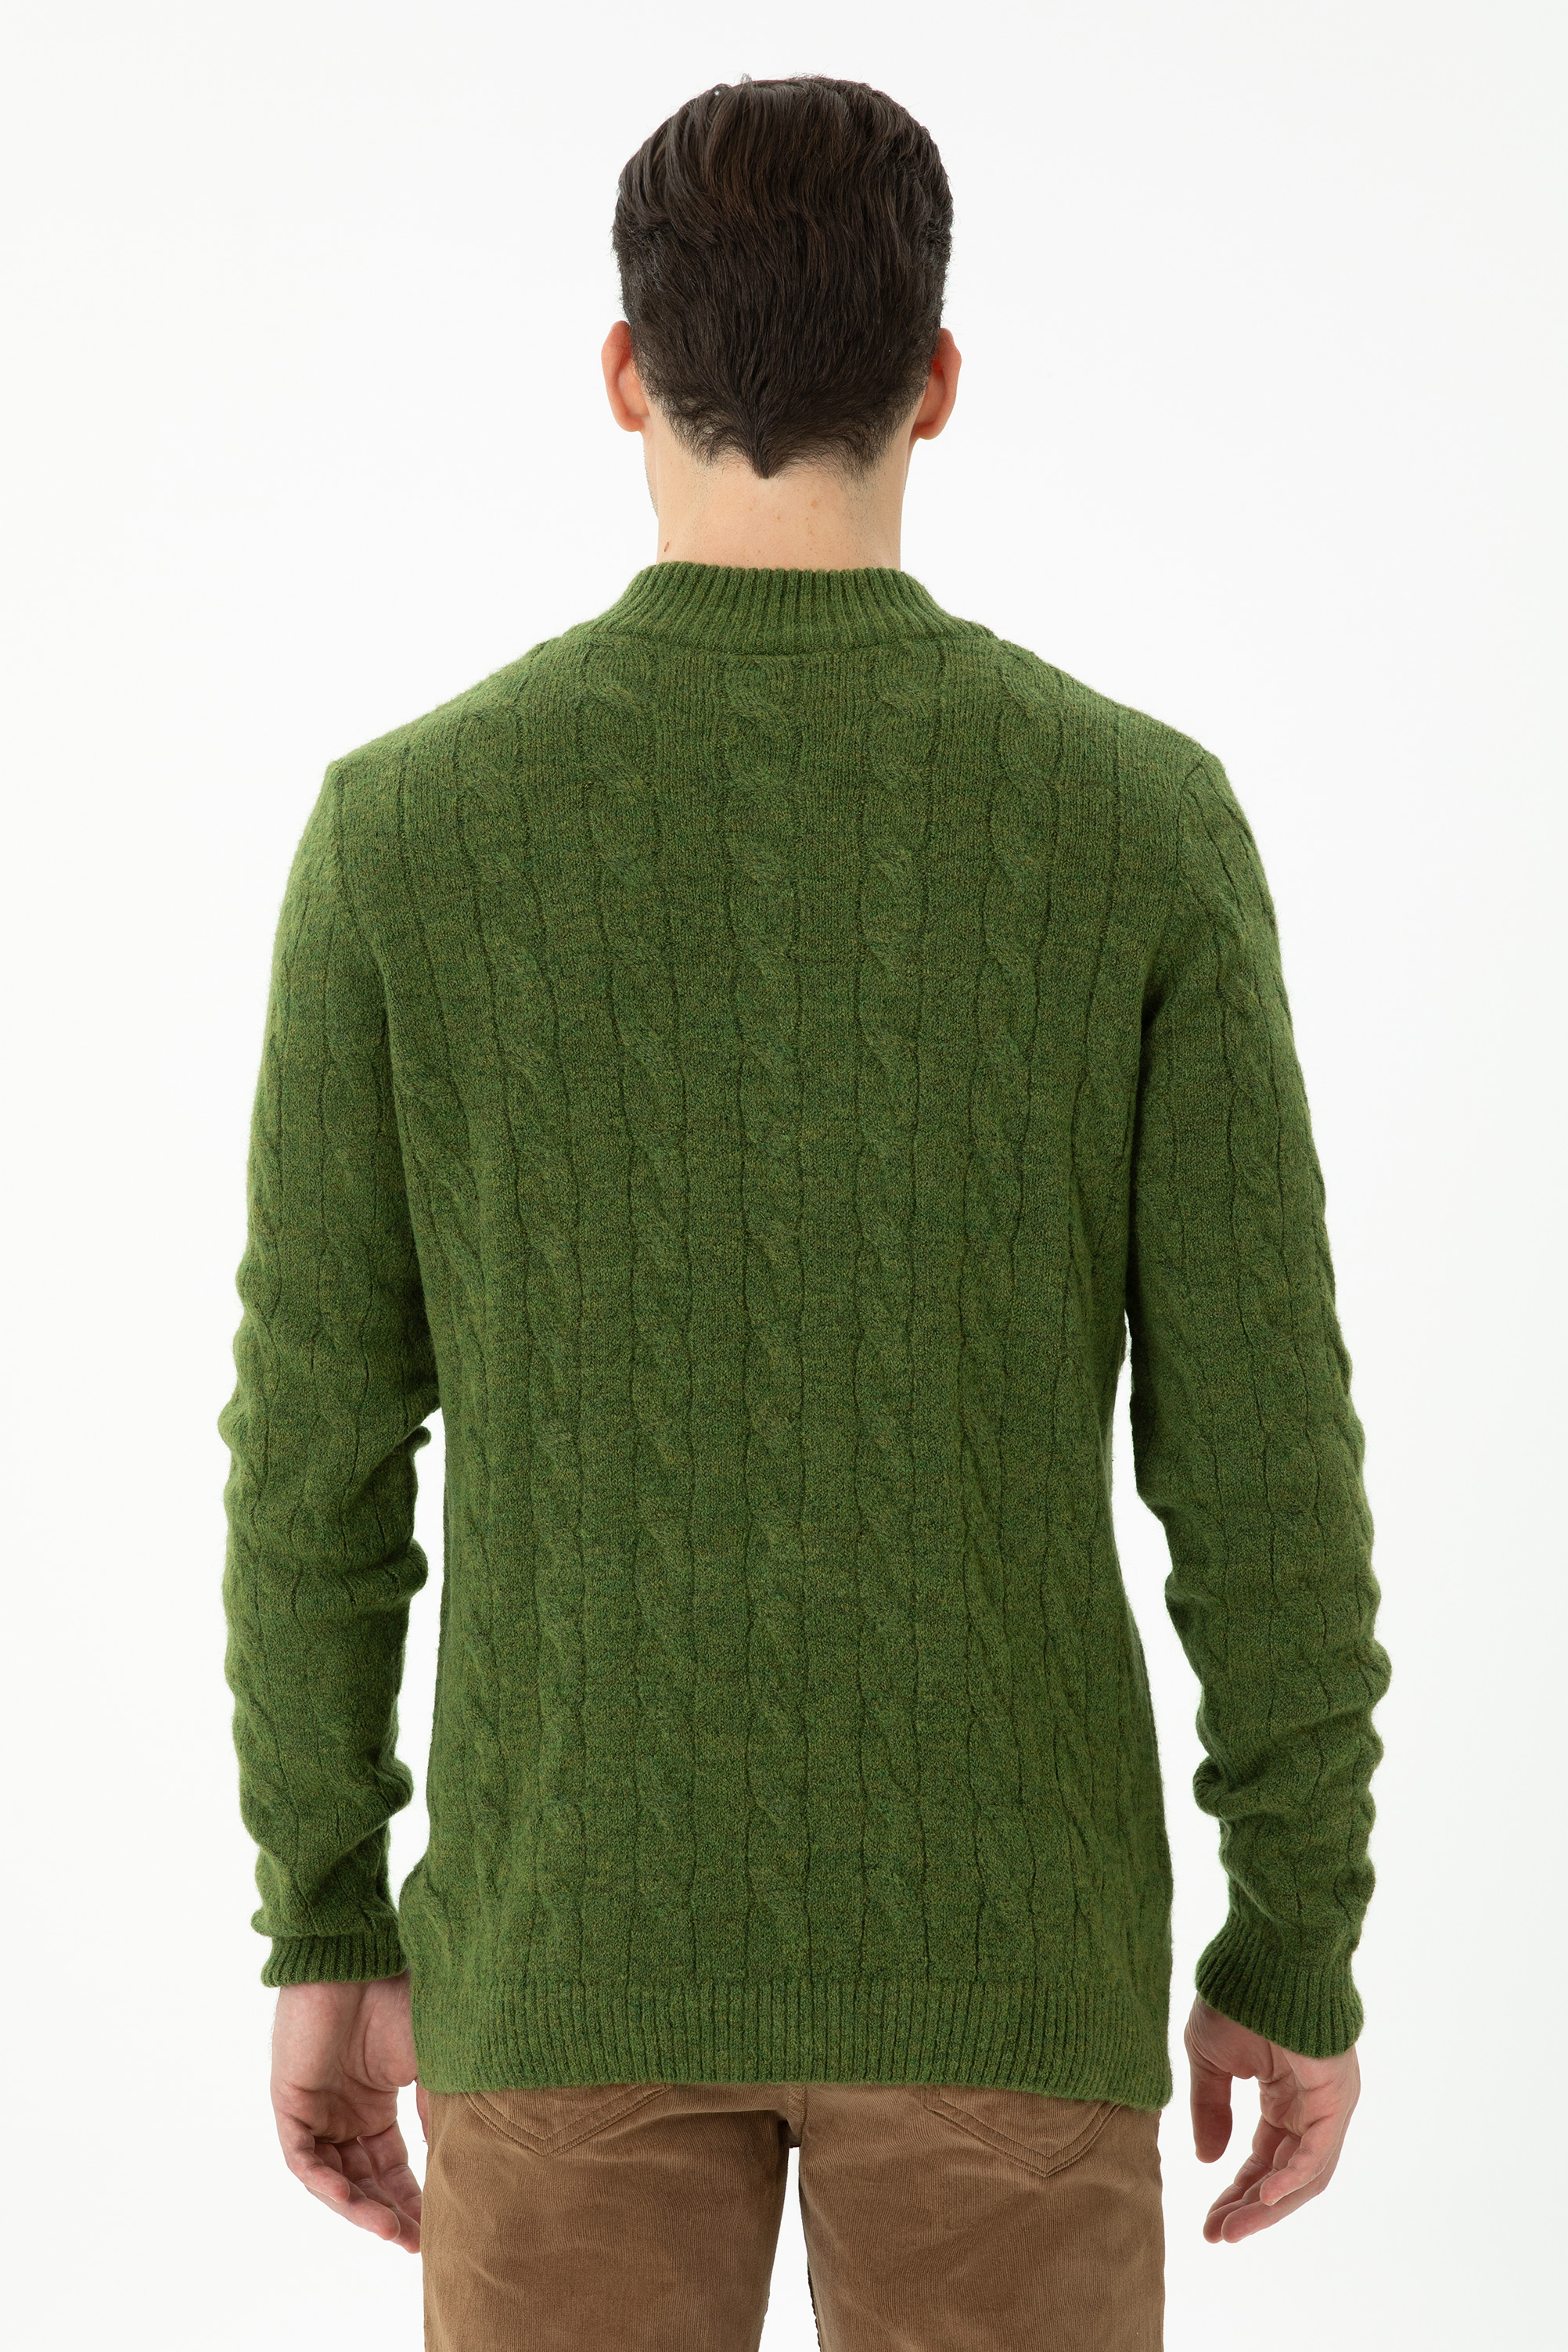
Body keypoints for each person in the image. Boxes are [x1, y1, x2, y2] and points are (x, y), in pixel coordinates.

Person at [218, 72, 1390, 2351]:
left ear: (624, 371)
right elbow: (1264, 1453)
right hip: (1005, 1961)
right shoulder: (1135, 824)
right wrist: (1294, 1929)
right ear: (934, 378)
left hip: (564, 1951)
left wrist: (331, 1915)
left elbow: (316, 1459)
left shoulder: (406, 836)